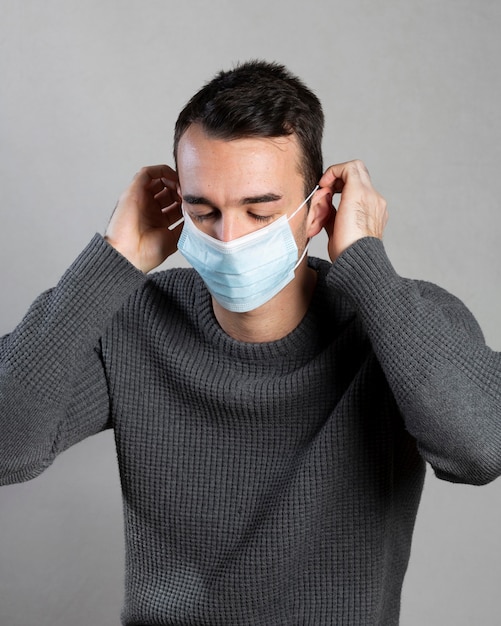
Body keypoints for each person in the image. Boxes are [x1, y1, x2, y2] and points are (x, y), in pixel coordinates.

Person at [1, 60, 500, 625]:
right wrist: (108, 266)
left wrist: (366, 267)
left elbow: (482, 449)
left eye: (259, 211)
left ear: (317, 211)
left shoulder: (402, 322)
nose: (230, 238)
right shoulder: (130, 321)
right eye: (203, 211)